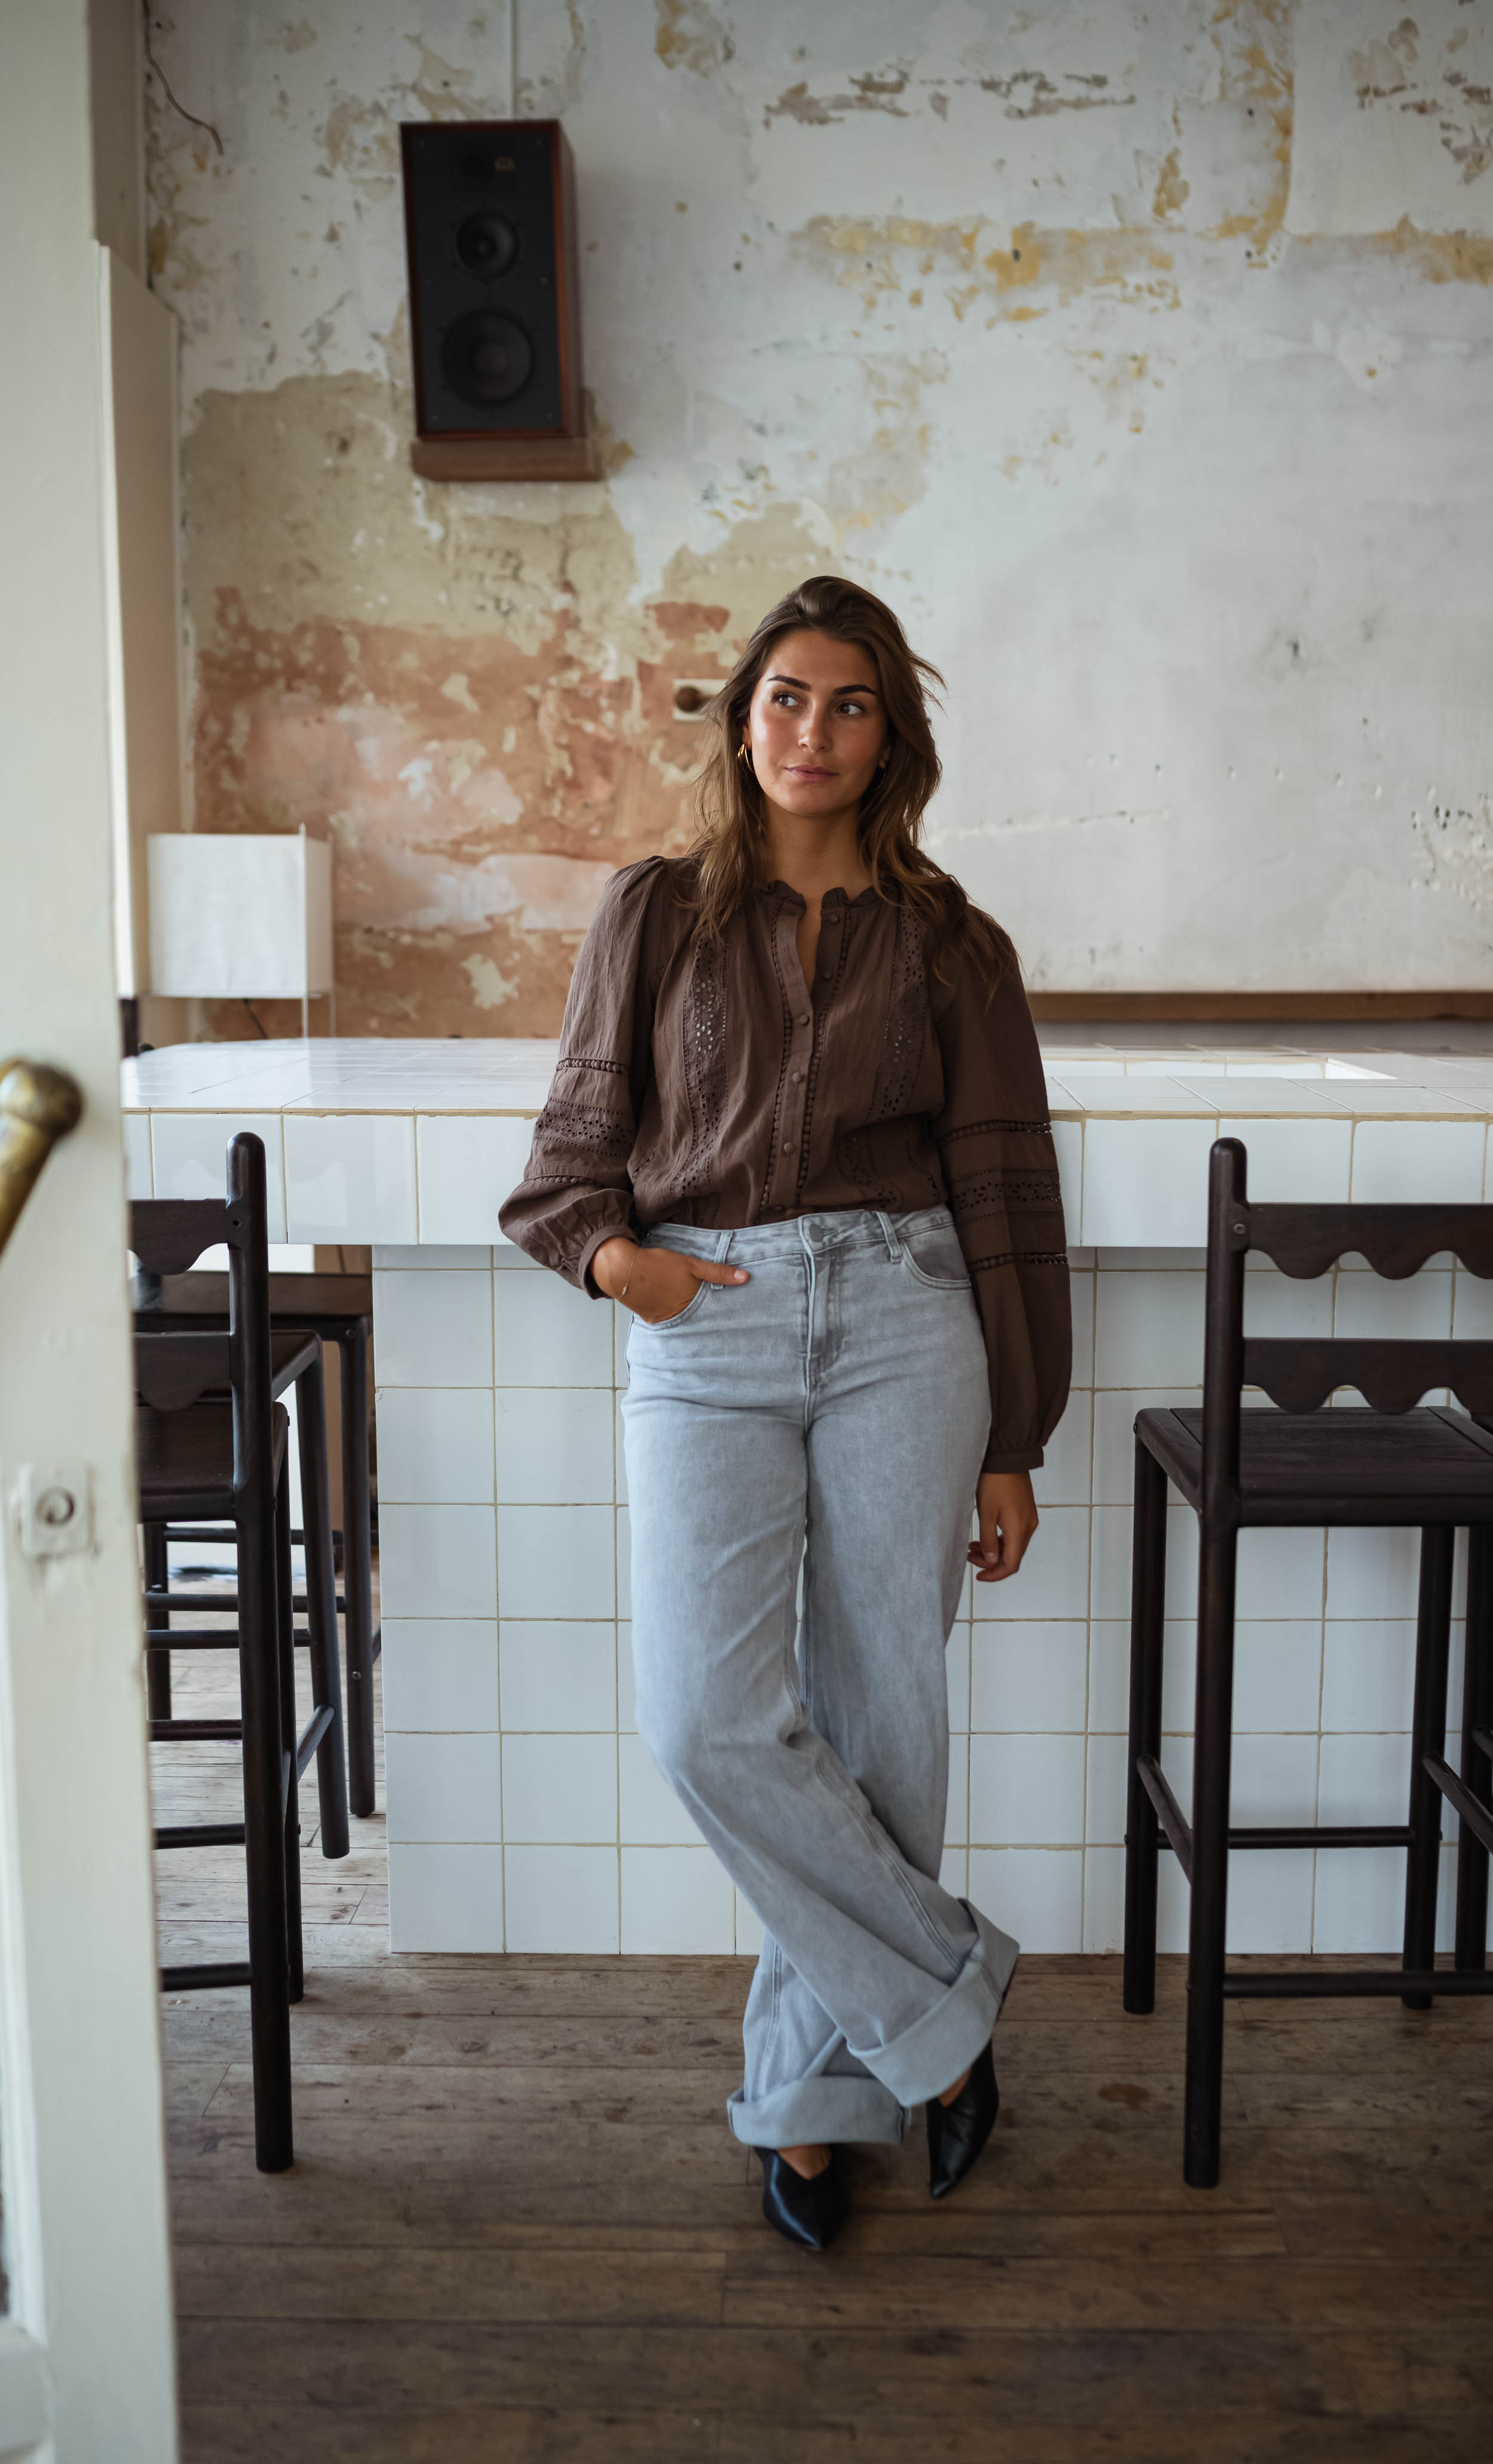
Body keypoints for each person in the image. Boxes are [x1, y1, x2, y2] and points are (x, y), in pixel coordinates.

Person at [500, 574, 1071, 2250]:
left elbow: (1006, 1191)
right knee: (707, 1719)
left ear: (894, 736)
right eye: (785, 700)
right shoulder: (655, 914)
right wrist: (628, 1268)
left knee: (885, 1719)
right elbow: (567, 1160)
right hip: (707, 1316)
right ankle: (951, 2019)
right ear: (741, 720)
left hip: (910, 1317)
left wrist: (1014, 1436)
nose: (811, 734)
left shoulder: (958, 942)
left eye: (850, 705)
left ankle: (812, 2111)